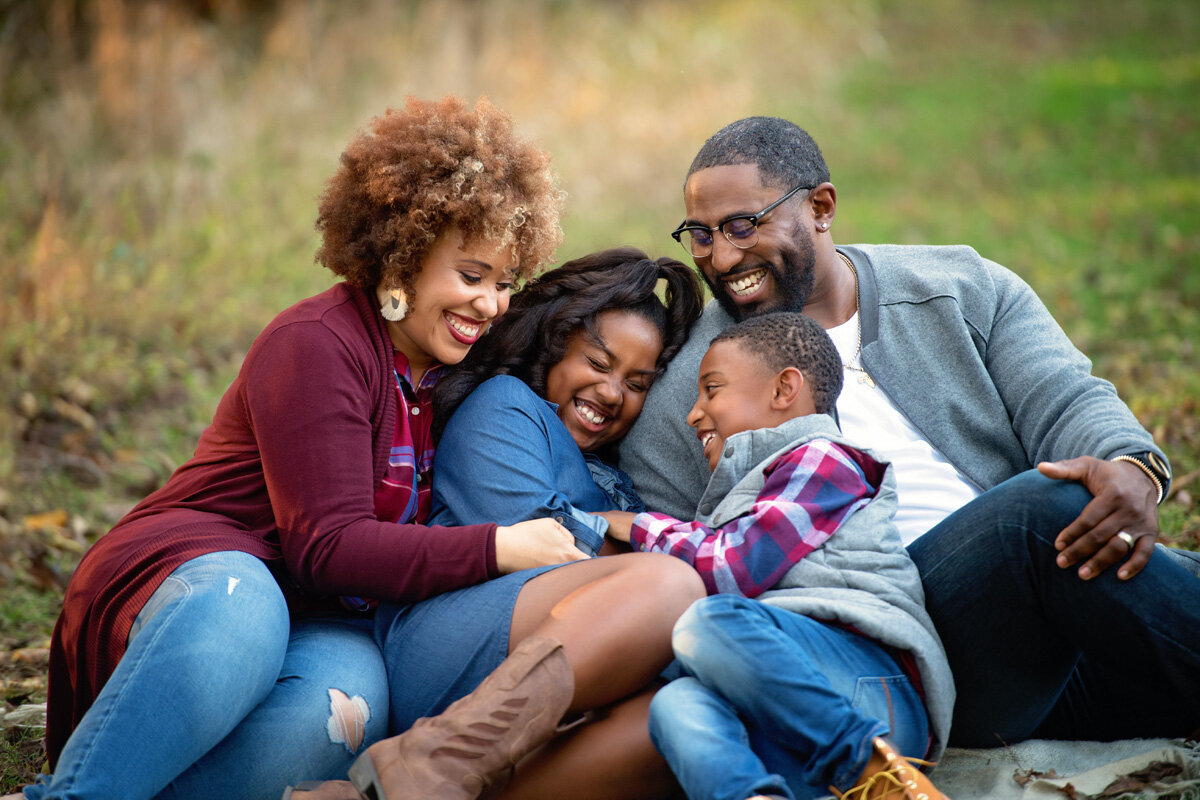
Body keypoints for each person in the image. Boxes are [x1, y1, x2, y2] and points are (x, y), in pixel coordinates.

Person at [29, 96, 570, 800]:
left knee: (349, 711)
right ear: (402, 255)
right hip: (205, 575)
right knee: (245, 608)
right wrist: (501, 546)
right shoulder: (315, 343)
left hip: (321, 616)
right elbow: (329, 546)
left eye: (504, 284)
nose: (491, 305)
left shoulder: (448, 373)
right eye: (471, 276)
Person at [620, 115, 1200, 747]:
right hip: (903, 652)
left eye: (741, 225)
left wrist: (1130, 467)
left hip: (1057, 640)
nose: (722, 257)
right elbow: (672, 556)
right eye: (700, 235)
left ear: (820, 206)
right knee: (1039, 512)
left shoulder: (958, 285)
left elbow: (1064, 398)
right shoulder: (688, 391)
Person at [307, 249, 706, 800]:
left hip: (543, 671)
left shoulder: (617, 472)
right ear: (554, 344)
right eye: (597, 362)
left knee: (668, 720)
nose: (612, 393)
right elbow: (550, 544)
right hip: (446, 636)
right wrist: (641, 541)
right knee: (671, 584)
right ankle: (420, 766)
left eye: (637, 383)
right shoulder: (507, 407)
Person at [602, 312, 953, 800]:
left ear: (784, 389)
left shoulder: (822, 457)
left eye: (712, 389)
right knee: (675, 704)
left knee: (710, 621)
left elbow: (730, 569)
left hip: (872, 690)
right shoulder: (743, 497)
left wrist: (638, 526)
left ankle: (877, 774)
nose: (693, 414)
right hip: (794, 727)